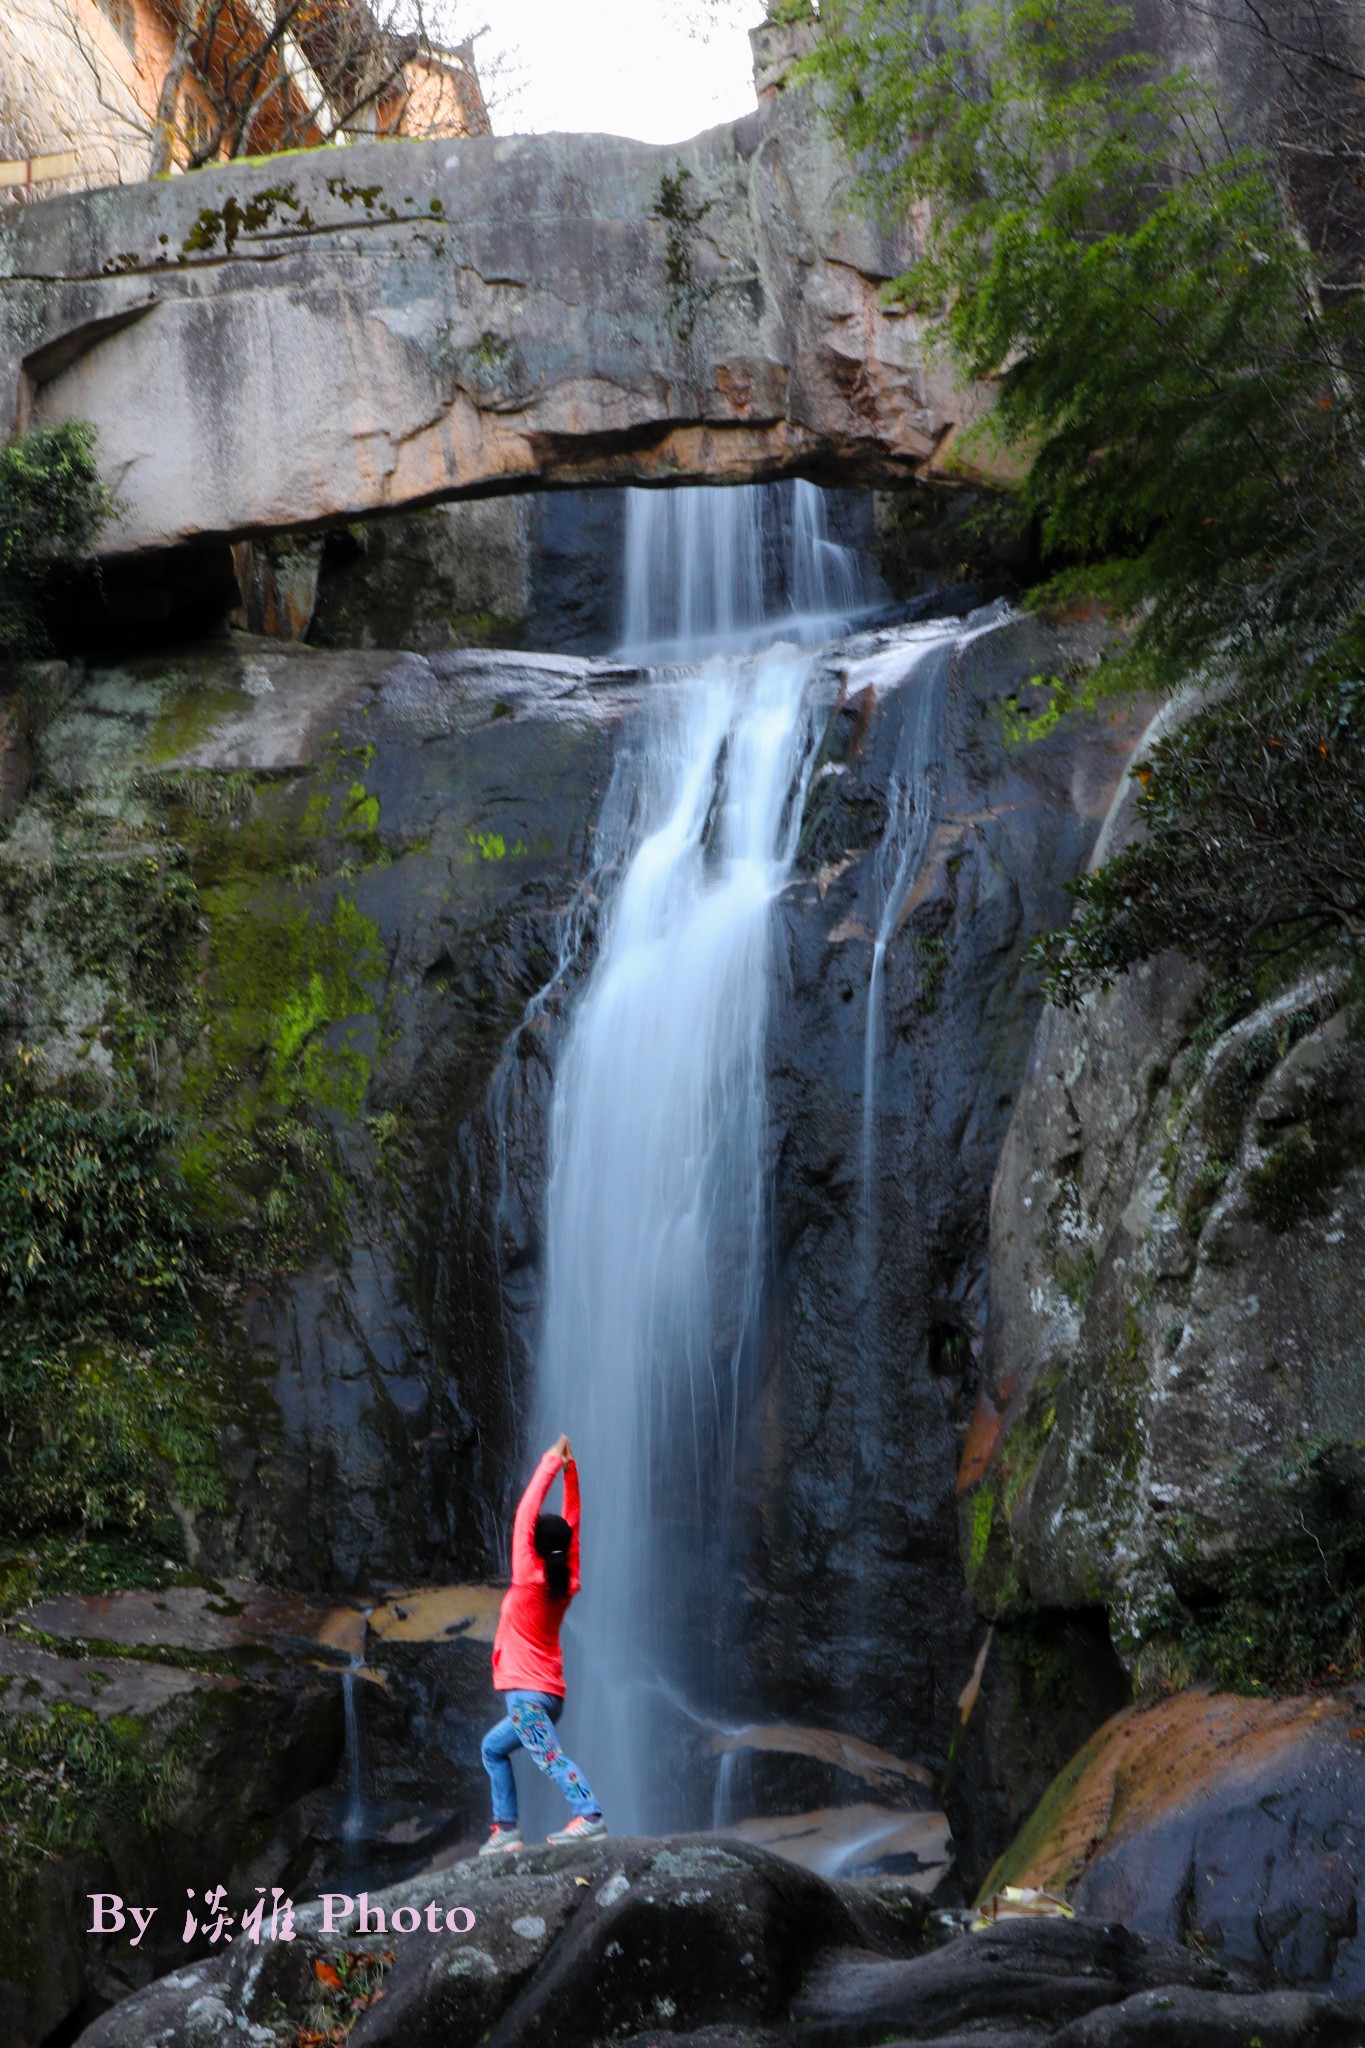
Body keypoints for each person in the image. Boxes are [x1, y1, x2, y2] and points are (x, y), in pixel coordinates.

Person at [478, 1433, 606, 1854]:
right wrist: (572, 1472)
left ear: (532, 1546)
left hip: (528, 1699)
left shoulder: (527, 1577)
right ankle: (507, 1829)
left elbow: (524, 1515)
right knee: (493, 1748)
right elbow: (574, 1522)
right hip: (549, 1694)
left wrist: (552, 1461)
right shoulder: (565, 1582)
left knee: (550, 1759)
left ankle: (588, 1815)